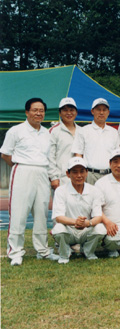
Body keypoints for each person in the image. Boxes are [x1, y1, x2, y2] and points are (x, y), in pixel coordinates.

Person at [1, 98, 60, 265]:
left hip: (42, 172)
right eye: (35, 110)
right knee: (18, 214)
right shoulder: (16, 131)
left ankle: (43, 251)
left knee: (41, 214)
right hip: (22, 170)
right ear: (27, 112)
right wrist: (19, 167)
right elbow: (5, 154)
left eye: (41, 110)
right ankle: (15, 253)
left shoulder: (47, 133)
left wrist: (52, 177)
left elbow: (49, 159)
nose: (38, 113)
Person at [51, 157, 107, 264]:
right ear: (68, 174)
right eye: (75, 172)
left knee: (101, 228)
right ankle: (64, 254)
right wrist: (75, 222)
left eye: (82, 171)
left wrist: (88, 223)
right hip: (69, 230)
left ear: (86, 172)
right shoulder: (60, 191)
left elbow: (98, 216)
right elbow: (58, 217)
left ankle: (88, 251)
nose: (79, 175)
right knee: (58, 229)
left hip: (86, 230)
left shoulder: (94, 191)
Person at [72, 98, 119, 184]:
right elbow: (78, 155)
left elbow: (117, 157)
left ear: (108, 112)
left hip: (109, 175)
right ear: (92, 111)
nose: (101, 112)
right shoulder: (83, 131)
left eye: (104, 110)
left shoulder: (114, 132)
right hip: (90, 175)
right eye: (98, 109)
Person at [49, 97, 81, 189]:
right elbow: (50, 156)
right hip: (61, 179)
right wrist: (53, 177)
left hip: (80, 177)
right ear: (60, 113)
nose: (69, 113)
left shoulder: (82, 131)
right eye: (65, 110)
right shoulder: (53, 131)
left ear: (76, 112)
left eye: (72, 110)